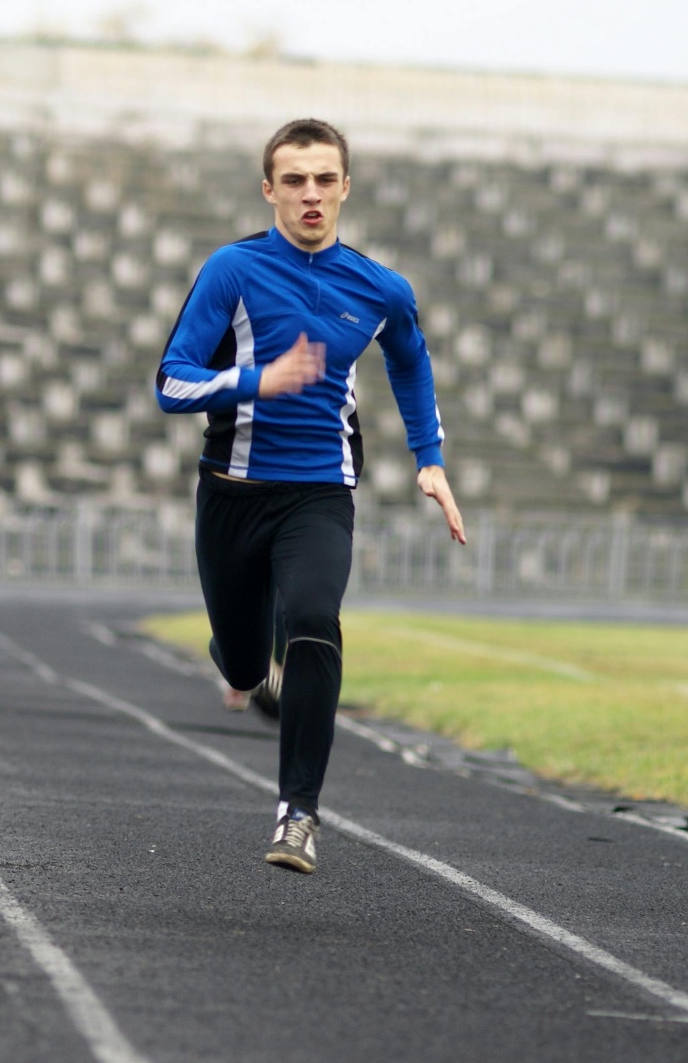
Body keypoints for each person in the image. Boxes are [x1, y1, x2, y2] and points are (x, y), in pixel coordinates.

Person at [155, 117, 466, 873]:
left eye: (325, 178)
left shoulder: (380, 287)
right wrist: (259, 379)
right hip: (231, 493)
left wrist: (429, 456)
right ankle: (244, 660)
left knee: (313, 619)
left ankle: (298, 813)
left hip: (320, 493)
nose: (311, 193)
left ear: (346, 187)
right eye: (294, 179)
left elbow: (411, 360)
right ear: (269, 189)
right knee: (237, 663)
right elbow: (172, 381)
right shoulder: (231, 270)